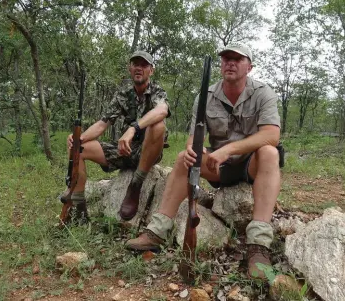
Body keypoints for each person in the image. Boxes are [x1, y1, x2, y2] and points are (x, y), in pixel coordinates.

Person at [125, 43, 281, 280]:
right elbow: (192, 141)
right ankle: (157, 231)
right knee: (182, 159)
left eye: (237, 59)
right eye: (226, 58)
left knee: (271, 153)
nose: (230, 62)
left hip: (250, 165)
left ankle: (258, 245)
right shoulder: (205, 96)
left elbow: (271, 135)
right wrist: (191, 150)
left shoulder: (263, 92)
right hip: (218, 167)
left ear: (249, 66)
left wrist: (228, 150)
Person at [63, 50, 170, 224]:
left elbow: (162, 110)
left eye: (144, 65)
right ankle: (79, 210)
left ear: (151, 70)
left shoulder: (157, 92)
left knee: (158, 125)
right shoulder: (123, 94)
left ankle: (136, 185)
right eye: (135, 64)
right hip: (126, 149)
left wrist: (133, 128)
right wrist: (79, 139)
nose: (139, 68)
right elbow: (102, 124)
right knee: (79, 149)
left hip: (148, 151)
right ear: (130, 68)